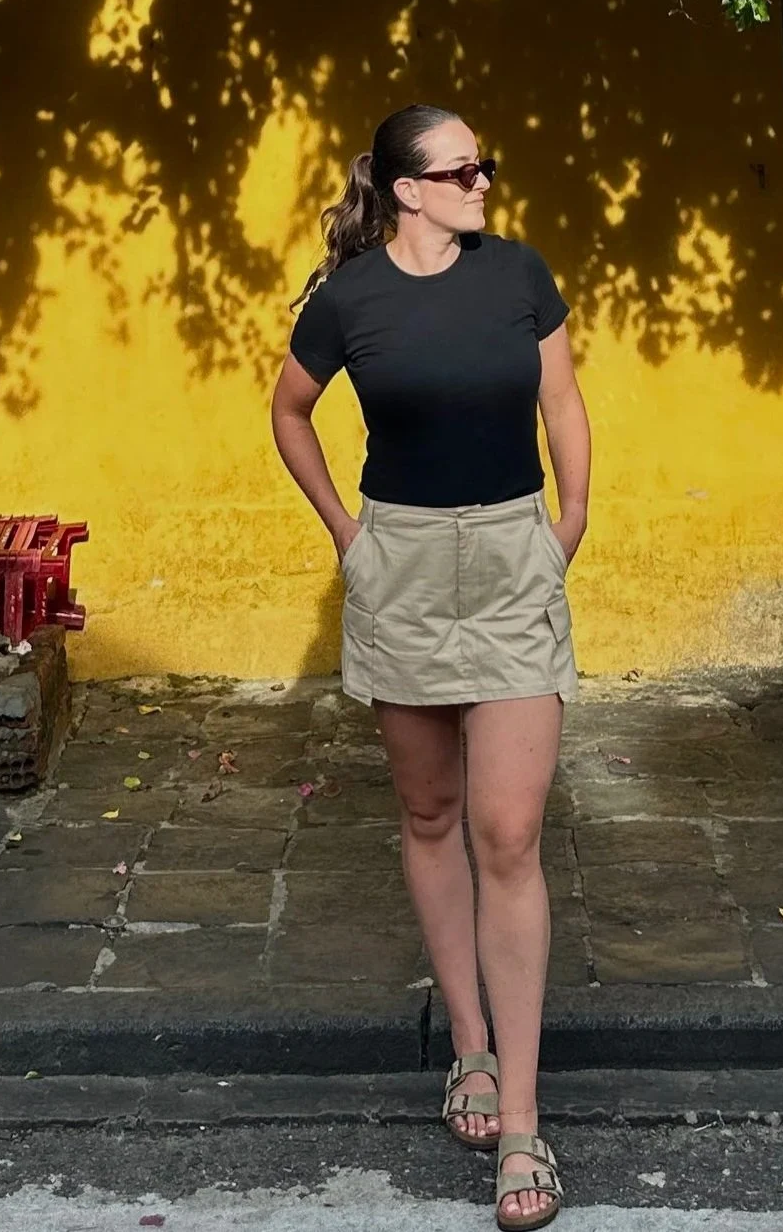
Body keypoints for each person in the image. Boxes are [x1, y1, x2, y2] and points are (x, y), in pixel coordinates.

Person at [270, 103, 590, 1230]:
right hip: (400, 560)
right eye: (463, 170)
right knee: (429, 811)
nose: (483, 183)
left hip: (509, 555)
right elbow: (290, 411)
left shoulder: (518, 273)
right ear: (406, 189)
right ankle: (468, 1045)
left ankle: (522, 1126)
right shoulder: (350, 298)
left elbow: (561, 402)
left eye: (485, 166)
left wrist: (571, 523)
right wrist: (348, 540)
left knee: (507, 832)